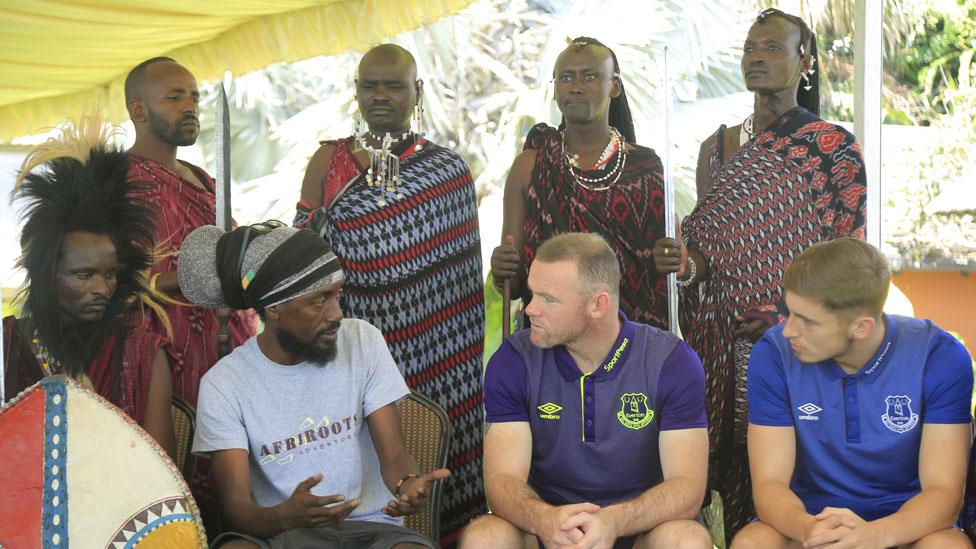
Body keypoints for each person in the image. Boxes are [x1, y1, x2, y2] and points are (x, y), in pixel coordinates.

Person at [652, 9, 867, 534]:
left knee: (804, 486)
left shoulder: (832, 148)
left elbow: (849, 257)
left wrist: (781, 316)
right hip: (726, 345)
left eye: (773, 47)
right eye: (751, 47)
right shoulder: (718, 148)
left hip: (803, 346)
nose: (757, 56)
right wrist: (686, 264)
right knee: (740, 485)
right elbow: (708, 255)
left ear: (805, 60)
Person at [294, 43, 485, 541]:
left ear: (416, 91)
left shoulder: (448, 171)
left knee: (441, 470)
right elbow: (303, 255)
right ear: (356, 91)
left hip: (440, 358)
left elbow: (461, 285)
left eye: (393, 85)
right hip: (356, 351)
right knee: (366, 479)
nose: (380, 95)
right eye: (369, 84)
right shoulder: (327, 162)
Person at [179, 221, 448, 548]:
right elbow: (236, 509)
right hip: (283, 534)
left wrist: (407, 484)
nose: (336, 313)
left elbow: (393, 455)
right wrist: (285, 516)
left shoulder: (362, 340)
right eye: (320, 299)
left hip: (371, 530)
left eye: (337, 295)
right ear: (274, 307)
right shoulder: (224, 384)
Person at [463, 233, 712, 549]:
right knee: (485, 537)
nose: (530, 309)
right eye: (532, 293)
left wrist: (612, 523)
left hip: (636, 531)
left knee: (687, 541)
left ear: (598, 304)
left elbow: (688, 490)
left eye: (548, 299)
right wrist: (544, 519)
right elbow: (501, 482)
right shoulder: (514, 360)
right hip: (548, 531)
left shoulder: (672, 361)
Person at [731, 237, 973, 548]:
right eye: (789, 312)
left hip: (905, 526)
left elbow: (943, 492)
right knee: (753, 543)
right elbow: (769, 486)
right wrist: (812, 530)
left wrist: (875, 536)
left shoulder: (939, 356)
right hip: (807, 520)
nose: (789, 329)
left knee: (948, 547)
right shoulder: (774, 353)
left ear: (861, 327)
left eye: (807, 321)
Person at [3, 114, 175, 460]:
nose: (102, 288)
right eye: (84, 275)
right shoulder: (8, 342)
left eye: (110, 274)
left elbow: (162, 471)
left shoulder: (143, 351)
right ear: (47, 274)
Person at [490, 37, 668, 330]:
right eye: (565, 78)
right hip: (550, 343)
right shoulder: (531, 166)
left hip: (627, 343)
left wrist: (675, 258)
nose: (575, 87)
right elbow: (515, 284)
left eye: (589, 77)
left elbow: (661, 274)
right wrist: (502, 269)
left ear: (614, 85)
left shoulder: (646, 169)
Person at [124, 56, 257, 408]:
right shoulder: (116, 184)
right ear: (138, 110)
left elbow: (238, 257)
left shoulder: (200, 177)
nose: (190, 107)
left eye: (195, 98)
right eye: (175, 97)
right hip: (162, 354)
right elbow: (116, 282)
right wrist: (200, 275)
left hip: (230, 347)